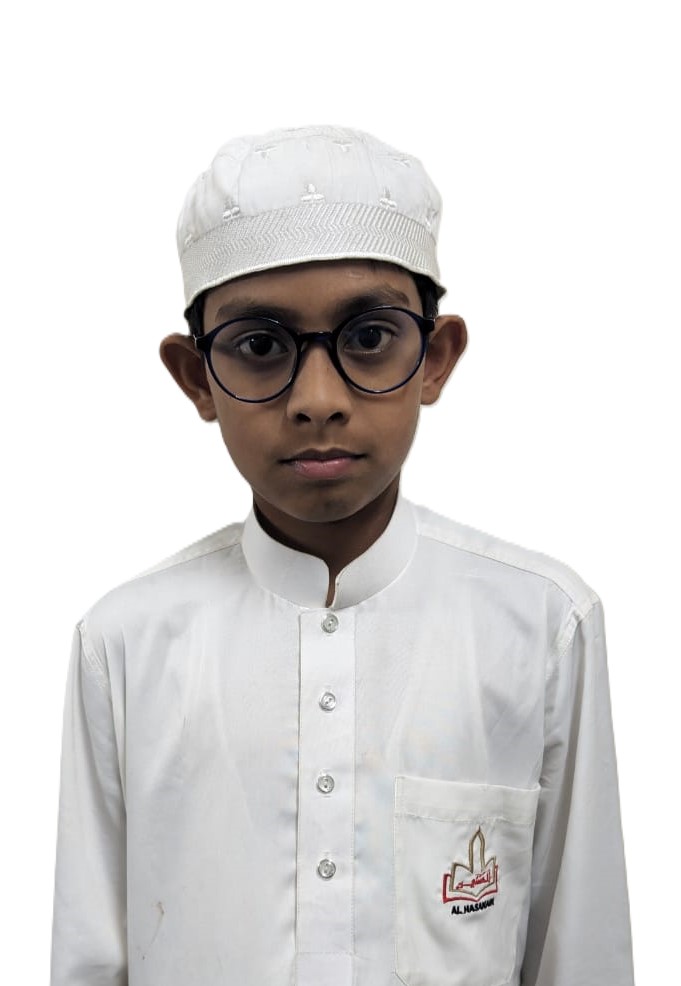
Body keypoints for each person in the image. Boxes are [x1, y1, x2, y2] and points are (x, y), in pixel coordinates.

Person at [51, 125, 635, 986]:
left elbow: (582, 954)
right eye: (260, 347)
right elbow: (88, 961)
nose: (317, 400)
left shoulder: (540, 624)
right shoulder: (128, 642)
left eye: (367, 338)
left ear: (434, 359)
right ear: (196, 377)